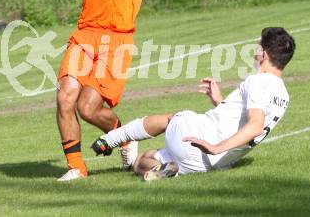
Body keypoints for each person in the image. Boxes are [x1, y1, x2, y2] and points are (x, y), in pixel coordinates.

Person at [0, 0, 202, 181]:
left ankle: (123, 136)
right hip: (84, 37)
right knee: (65, 96)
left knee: (88, 108)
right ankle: (76, 167)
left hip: (117, 41)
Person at [91, 27, 295, 181]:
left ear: (264, 55)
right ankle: (167, 170)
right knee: (140, 161)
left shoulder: (257, 81)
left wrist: (216, 147)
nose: (254, 51)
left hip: (203, 143)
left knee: (173, 118)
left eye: (258, 46)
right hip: (210, 164)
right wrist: (219, 101)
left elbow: (255, 125)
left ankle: (110, 139)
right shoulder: (283, 95)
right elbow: (243, 120)